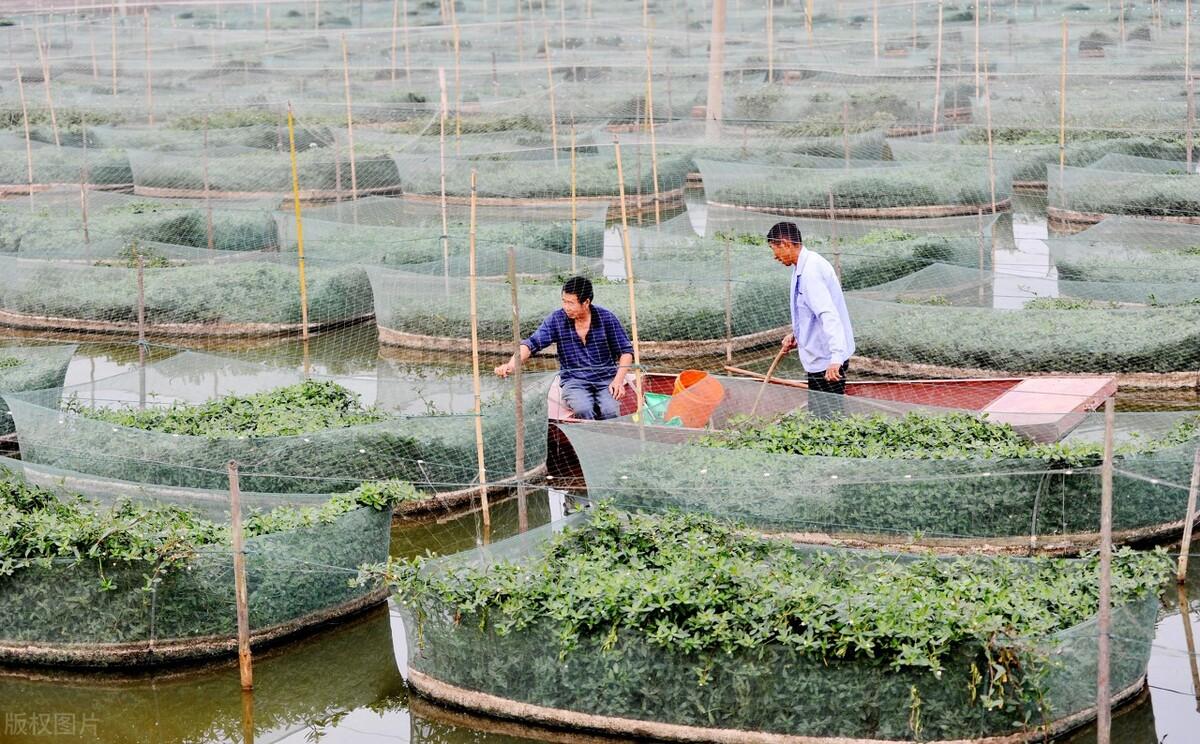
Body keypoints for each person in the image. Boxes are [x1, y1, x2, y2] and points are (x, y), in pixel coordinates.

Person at [494, 276, 634, 421]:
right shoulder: (557, 319)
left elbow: (625, 351)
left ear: (586, 302)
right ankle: (586, 439)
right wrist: (511, 365)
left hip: (606, 379)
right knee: (583, 409)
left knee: (610, 411)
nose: (566, 307)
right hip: (574, 380)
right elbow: (531, 344)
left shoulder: (607, 318)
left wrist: (618, 381)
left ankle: (608, 440)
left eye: (571, 303)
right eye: (564, 301)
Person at [766, 221, 855, 418]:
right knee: (819, 416)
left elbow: (828, 314)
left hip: (827, 362)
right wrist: (796, 334)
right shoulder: (802, 267)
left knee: (828, 418)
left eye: (775, 249)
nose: (775, 256)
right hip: (820, 357)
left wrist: (836, 358)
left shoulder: (811, 271)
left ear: (786, 243)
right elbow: (808, 311)